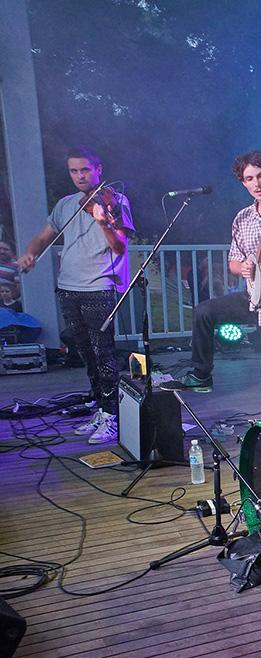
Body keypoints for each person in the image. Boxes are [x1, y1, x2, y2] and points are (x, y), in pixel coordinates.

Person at [162, 151, 261, 425]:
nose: (256, 183)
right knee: (204, 311)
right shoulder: (242, 218)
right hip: (254, 296)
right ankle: (201, 374)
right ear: (242, 182)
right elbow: (234, 261)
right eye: (249, 178)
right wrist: (242, 266)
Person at [18, 146, 133, 444]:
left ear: (98, 170)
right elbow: (44, 236)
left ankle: (113, 416)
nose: (80, 176)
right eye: (74, 171)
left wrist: (103, 222)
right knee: (86, 353)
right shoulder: (66, 204)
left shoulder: (115, 201)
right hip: (69, 287)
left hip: (100, 286)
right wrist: (30, 254)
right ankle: (100, 405)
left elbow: (120, 247)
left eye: (85, 170)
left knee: (103, 352)